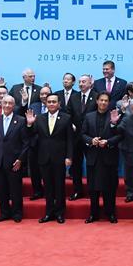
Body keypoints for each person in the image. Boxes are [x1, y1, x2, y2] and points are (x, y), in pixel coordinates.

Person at [25, 93, 73, 224]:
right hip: (43, 157)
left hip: (60, 158)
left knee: (59, 187)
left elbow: (69, 139)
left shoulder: (66, 118)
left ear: (59, 104)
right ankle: (48, 213)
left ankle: (60, 213)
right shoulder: (39, 118)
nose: (51, 104)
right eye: (49, 102)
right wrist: (29, 125)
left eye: (54, 102)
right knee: (48, 187)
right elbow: (31, 136)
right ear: (46, 104)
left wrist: (69, 156)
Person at [81, 92, 121, 224]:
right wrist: (91, 140)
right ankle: (93, 214)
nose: (103, 103)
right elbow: (82, 134)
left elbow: (120, 135)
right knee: (93, 189)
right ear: (97, 101)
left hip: (109, 157)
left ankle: (111, 213)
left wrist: (108, 142)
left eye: (106, 101)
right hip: (93, 157)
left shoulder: (114, 116)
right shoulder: (89, 116)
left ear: (109, 102)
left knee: (110, 188)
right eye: (101, 100)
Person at [0, 95, 28, 223]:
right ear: (1, 104)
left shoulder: (21, 120)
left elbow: (25, 143)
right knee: (1, 190)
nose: (7, 105)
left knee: (15, 190)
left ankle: (17, 213)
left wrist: (20, 159)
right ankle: (4, 213)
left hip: (14, 162)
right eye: (5, 103)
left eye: (10, 103)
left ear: (14, 105)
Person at [56, 72, 87, 201]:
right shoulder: (74, 97)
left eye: (83, 82)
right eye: (80, 82)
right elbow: (68, 113)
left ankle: (95, 191)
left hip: (92, 136)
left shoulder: (96, 96)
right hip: (75, 136)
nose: (81, 84)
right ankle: (77, 190)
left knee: (95, 164)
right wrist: (70, 124)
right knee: (76, 165)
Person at [25, 86, 51, 200]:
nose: (44, 96)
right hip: (34, 143)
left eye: (46, 94)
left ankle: (49, 191)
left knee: (48, 170)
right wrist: (30, 124)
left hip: (49, 145)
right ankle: (37, 191)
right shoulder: (33, 106)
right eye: (42, 94)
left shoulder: (54, 106)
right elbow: (27, 127)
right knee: (34, 170)